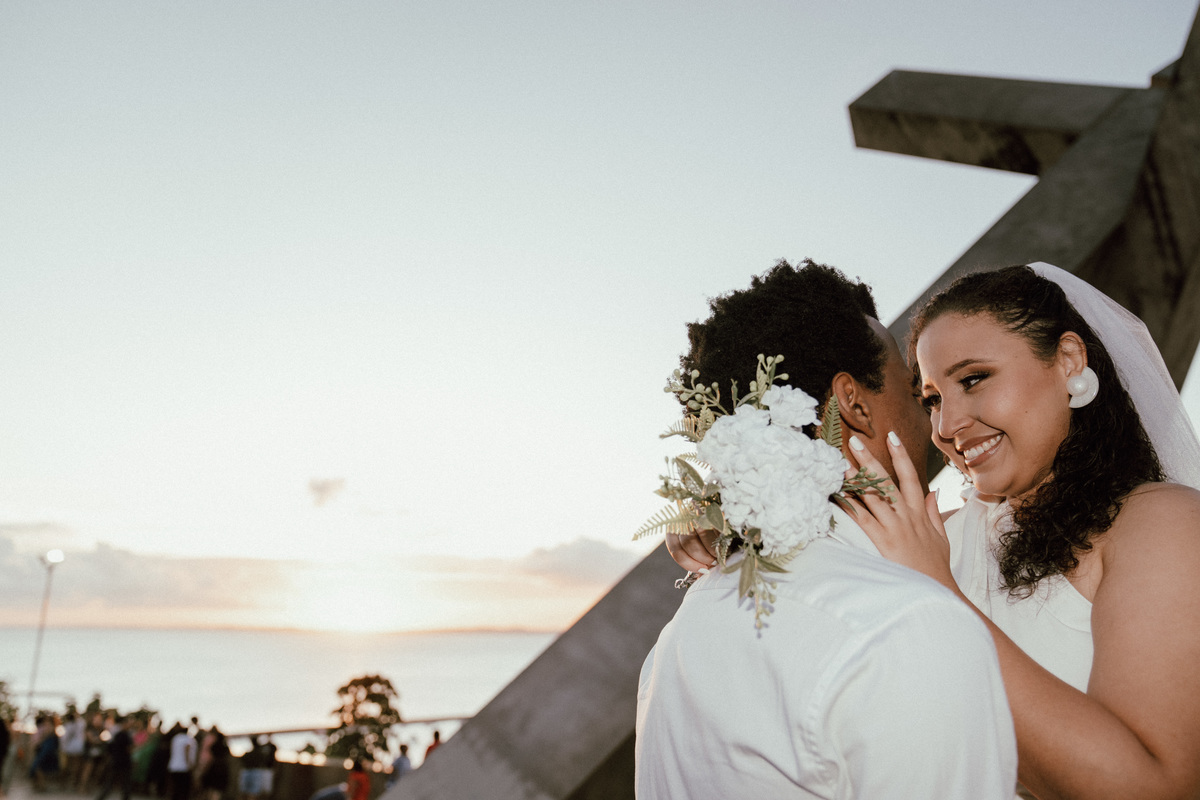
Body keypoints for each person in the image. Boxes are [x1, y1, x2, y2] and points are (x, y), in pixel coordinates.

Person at [638, 260, 1017, 798]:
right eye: (914, 391)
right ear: (853, 404)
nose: (936, 423)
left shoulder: (679, 634)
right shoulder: (906, 625)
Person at [841, 263, 1200, 799]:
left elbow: (1152, 787)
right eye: (932, 399)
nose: (946, 426)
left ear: (1069, 360)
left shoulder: (1161, 523)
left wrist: (939, 595)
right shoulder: (928, 538)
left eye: (973, 379)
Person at [95, 715, 134, 800]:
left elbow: (111, 747)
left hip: (116, 761)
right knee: (125, 783)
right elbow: (129, 749)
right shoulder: (125, 735)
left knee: (112, 782)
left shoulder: (117, 735)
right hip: (123, 762)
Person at [167, 721, 197, 800]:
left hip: (173, 766)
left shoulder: (175, 738)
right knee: (183, 790)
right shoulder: (188, 739)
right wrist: (189, 764)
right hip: (183, 768)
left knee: (175, 790)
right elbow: (186, 750)